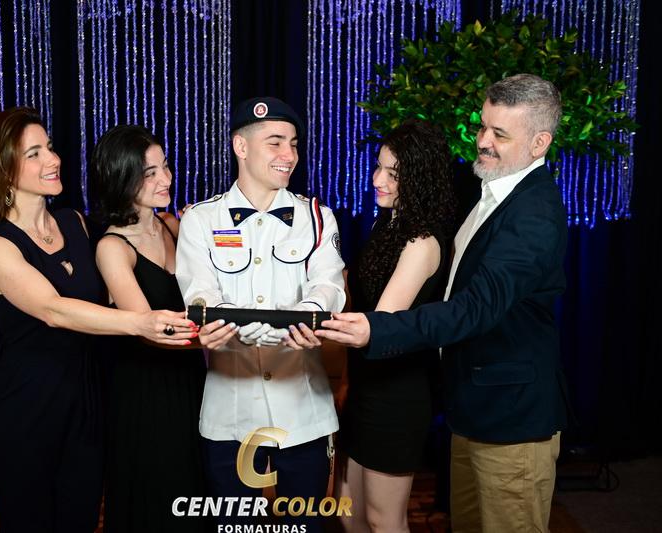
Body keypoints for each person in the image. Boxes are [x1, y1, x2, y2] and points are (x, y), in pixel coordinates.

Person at [317, 73, 569, 533]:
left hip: (510, 419)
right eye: (483, 127)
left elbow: (475, 309)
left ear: (540, 143)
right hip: (470, 409)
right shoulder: (487, 188)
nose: (483, 141)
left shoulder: (534, 213)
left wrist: (379, 328)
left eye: (499, 134)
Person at [0, 107, 196, 532]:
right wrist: (139, 323)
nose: (53, 159)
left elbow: (127, 235)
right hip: (25, 407)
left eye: (50, 147)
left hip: (87, 401)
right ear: (3, 169)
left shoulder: (74, 222)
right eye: (34, 153)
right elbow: (53, 310)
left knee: (81, 520)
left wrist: (171, 207)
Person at [175, 97, 346, 532]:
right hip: (230, 415)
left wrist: (303, 319)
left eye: (293, 143)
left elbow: (328, 285)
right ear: (241, 146)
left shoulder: (317, 216)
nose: (289, 154)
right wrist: (245, 329)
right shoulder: (201, 219)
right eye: (275, 142)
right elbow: (200, 292)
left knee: (304, 527)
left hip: (303, 414)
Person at [88, 124, 236, 532]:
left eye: (165, 166)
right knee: (158, 496)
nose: (166, 178)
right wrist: (217, 337)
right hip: (145, 390)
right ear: (121, 178)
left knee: (197, 489)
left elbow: (224, 271)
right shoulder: (112, 247)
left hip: (193, 379)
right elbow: (148, 330)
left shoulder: (173, 224)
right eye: (149, 173)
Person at [336, 119, 455, 533]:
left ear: (419, 179)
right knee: (348, 514)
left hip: (397, 395)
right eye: (378, 167)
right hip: (365, 385)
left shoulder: (422, 242)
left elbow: (380, 324)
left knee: (383, 520)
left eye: (393, 174)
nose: (377, 180)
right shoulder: (385, 225)